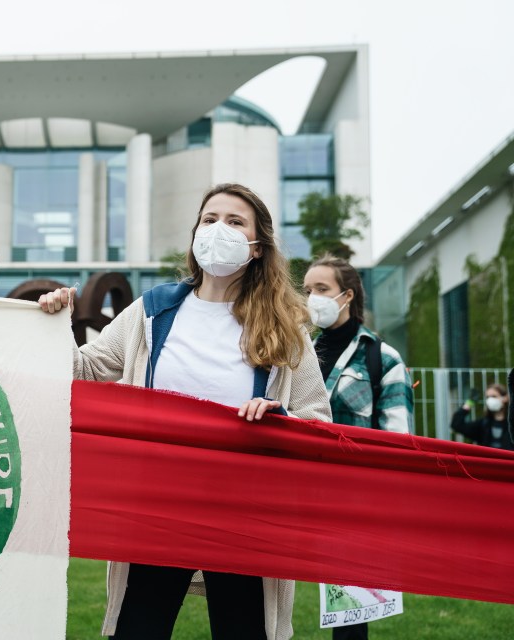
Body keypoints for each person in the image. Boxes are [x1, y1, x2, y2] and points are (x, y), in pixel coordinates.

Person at [39, 183, 332, 640]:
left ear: (257, 248)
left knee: (244, 631)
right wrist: (53, 324)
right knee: (138, 629)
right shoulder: (154, 311)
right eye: (209, 219)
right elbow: (87, 367)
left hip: (244, 514)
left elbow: (317, 420)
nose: (219, 229)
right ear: (195, 233)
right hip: (159, 506)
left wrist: (281, 419)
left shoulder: (284, 327)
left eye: (235, 222)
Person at [302, 254, 413, 640]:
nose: (311, 298)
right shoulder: (295, 353)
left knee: (349, 612)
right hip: (297, 492)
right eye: (307, 290)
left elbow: (398, 441)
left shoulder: (383, 359)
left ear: (346, 295)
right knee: (263, 599)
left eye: (321, 289)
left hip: (353, 502)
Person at [451, 383, 512, 450]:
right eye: (487, 397)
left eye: (494, 396)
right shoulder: (483, 424)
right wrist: (469, 403)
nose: (490, 400)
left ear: (505, 398)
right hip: (487, 460)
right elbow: (457, 425)